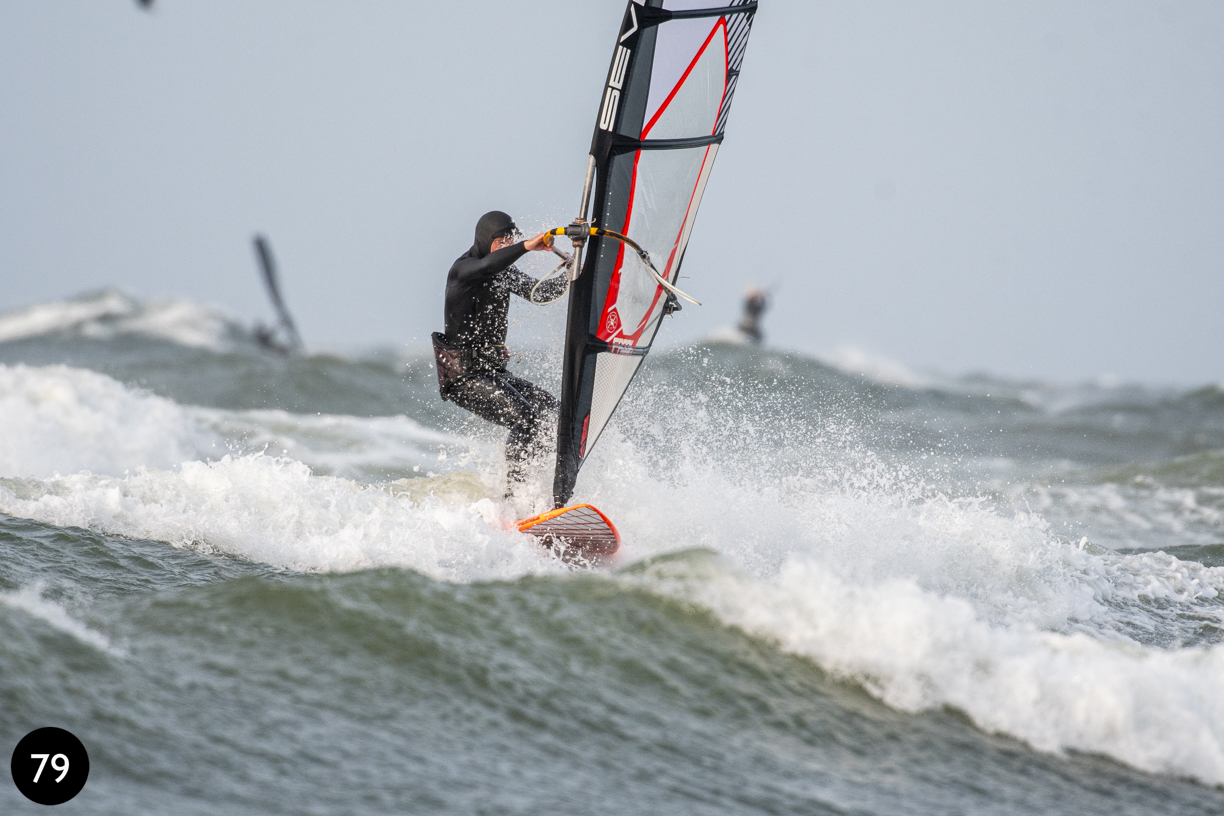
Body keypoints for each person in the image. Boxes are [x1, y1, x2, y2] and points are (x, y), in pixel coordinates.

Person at [432, 211, 568, 498]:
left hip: (492, 373)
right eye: (501, 241)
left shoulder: (503, 272)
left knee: (554, 413)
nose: (506, 246)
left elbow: (539, 293)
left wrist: (573, 272)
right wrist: (527, 246)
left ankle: (535, 489)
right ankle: (513, 496)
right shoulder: (463, 270)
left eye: (510, 241)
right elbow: (488, 265)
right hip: (464, 378)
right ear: (485, 240)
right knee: (525, 418)